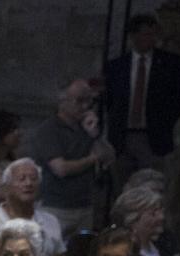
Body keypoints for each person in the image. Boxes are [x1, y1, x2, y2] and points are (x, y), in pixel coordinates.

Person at [25, 78, 114, 234]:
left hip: (85, 205)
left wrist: (95, 135)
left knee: (80, 253)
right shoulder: (49, 130)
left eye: (89, 101)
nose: (85, 106)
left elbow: (109, 158)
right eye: (79, 101)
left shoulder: (86, 126)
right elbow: (61, 168)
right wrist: (92, 159)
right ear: (62, 101)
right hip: (56, 206)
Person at [103, 14, 180, 175]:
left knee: (150, 183)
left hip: (152, 135)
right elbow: (110, 100)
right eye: (146, 34)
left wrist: (164, 122)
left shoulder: (170, 64)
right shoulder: (117, 66)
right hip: (122, 136)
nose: (151, 39)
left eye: (154, 34)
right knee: (121, 182)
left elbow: (177, 99)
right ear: (134, 36)